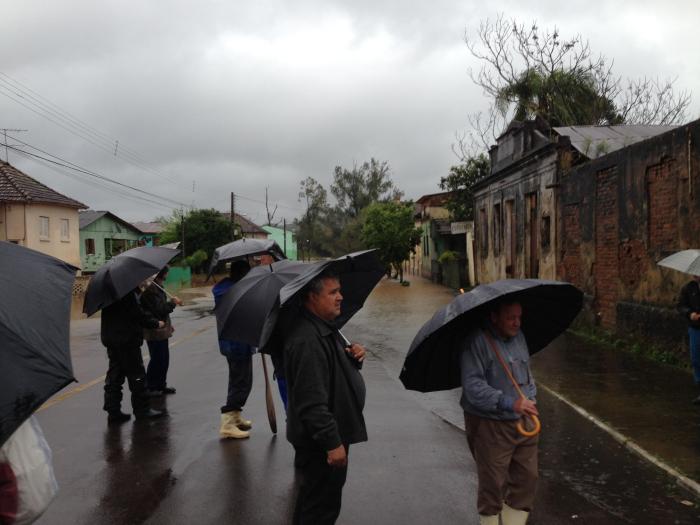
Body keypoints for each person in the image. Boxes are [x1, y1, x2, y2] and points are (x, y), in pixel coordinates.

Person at [284, 270, 367, 524]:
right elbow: (311, 403)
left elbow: (331, 373)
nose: (340, 297)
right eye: (333, 292)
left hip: (328, 438)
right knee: (320, 510)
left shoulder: (324, 329)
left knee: (315, 503)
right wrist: (332, 443)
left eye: (339, 291)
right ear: (312, 297)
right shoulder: (307, 340)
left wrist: (353, 355)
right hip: (321, 444)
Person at [460, 300, 538, 525]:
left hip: (525, 420)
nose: (517, 323)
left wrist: (531, 397)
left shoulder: (520, 337)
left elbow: (527, 373)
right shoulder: (477, 342)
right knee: (492, 484)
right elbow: (473, 387)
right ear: (494, 317)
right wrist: (509, 403)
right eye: (510, 317)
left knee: (527, 479)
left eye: (519, 317)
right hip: (490, 424)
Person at [101, 288, 166, 423]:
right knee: (137, 376)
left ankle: (113, 411)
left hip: (112, 340)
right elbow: (138, 315)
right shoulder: (127, 294)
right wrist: (156, 323)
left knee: (115, 376)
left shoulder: (107, 294)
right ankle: (142, 410)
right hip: (127, 340)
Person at [213, 260, 256, 439]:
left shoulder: (228, 288)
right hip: (236, 344)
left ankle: (235, 415)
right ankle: (228, 422)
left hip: (238, 343)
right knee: (241, 382)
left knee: (240, 380)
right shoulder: (232, 292)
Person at [141, 266, 182, 396]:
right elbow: (160, 310)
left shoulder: (158, 287)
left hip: (162, 330)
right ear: (162, 274)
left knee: (164, 359)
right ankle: (151, 387)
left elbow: (161, 311)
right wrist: (173, 303)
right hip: (154, 331)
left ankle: (160, 385)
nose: (168, 275)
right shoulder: (151, 289)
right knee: (157, 359)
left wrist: (169, 325)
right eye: (167, 272)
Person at [677, 275, 700, 404]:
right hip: (695, 328)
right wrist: (689, 313)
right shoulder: (689, 288)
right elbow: (681, 305)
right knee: (696, 359)